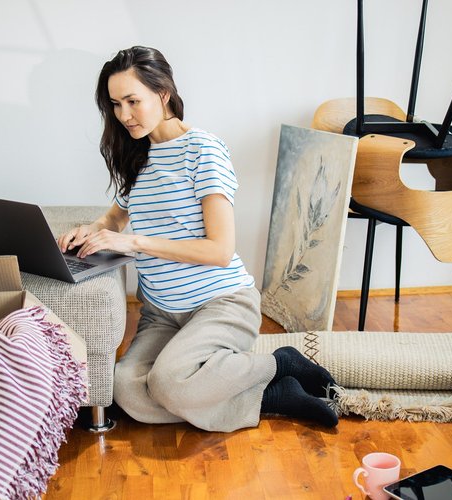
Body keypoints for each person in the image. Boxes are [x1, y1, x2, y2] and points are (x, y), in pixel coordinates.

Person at [58, 46, 338, 432]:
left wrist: (136, 243)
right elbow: (115, 216)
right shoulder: (138, 155)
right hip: (161, 314)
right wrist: (90, 230)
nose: (123, 115)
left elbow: (220, 251)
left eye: (133, 101)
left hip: (221, 303)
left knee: (168, 383)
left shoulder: (203, 151)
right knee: (123, 389)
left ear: (163, 93)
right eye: (116, 104)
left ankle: (278, 363)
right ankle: (270, 394)